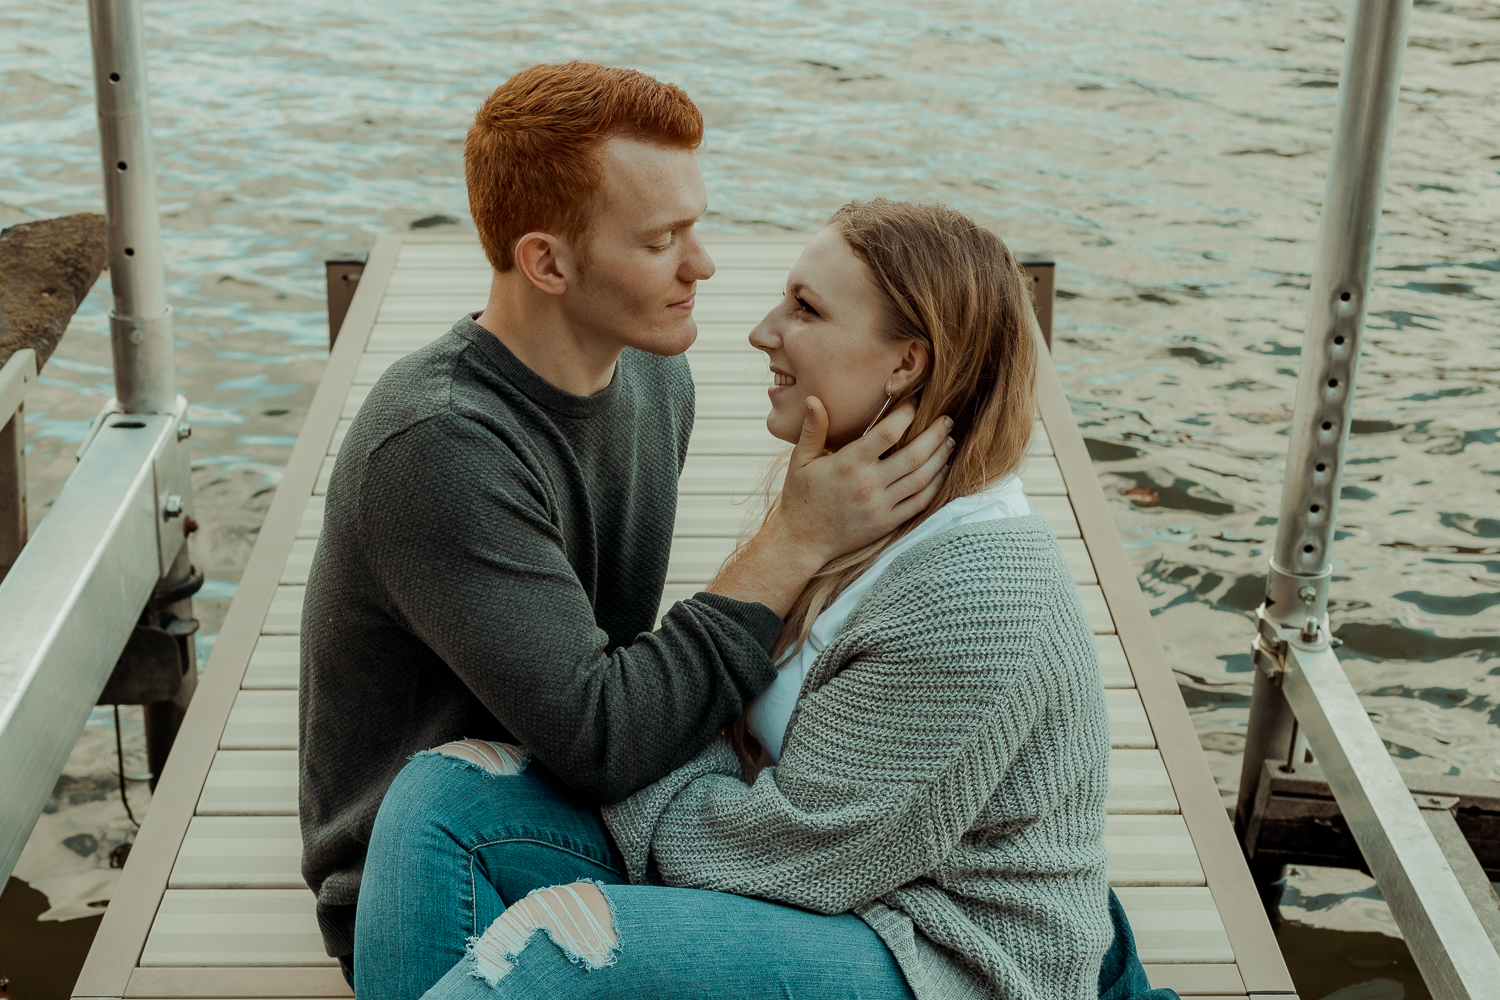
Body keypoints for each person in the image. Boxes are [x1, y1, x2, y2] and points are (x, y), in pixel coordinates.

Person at [359, 201, 1174, 1000]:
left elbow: (788, 857)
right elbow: (731, 744)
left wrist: (614, 746)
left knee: (564, 946)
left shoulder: (979, 596)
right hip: (817, 877)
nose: (762, 331)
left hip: (943, 951)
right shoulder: (846, 507)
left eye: (805, 309)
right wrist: (786, 546)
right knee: (441, 799)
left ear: (906, 364)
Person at [298, 63, 953, 983]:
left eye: (698, 225)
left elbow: (610, 709)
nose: (704, 264)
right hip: (442, 860)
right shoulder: (437, 446)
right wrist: (796, 539)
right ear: (547, 262)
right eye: (663, 240)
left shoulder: (652, 377)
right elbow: (602, 736)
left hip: (588, 788)